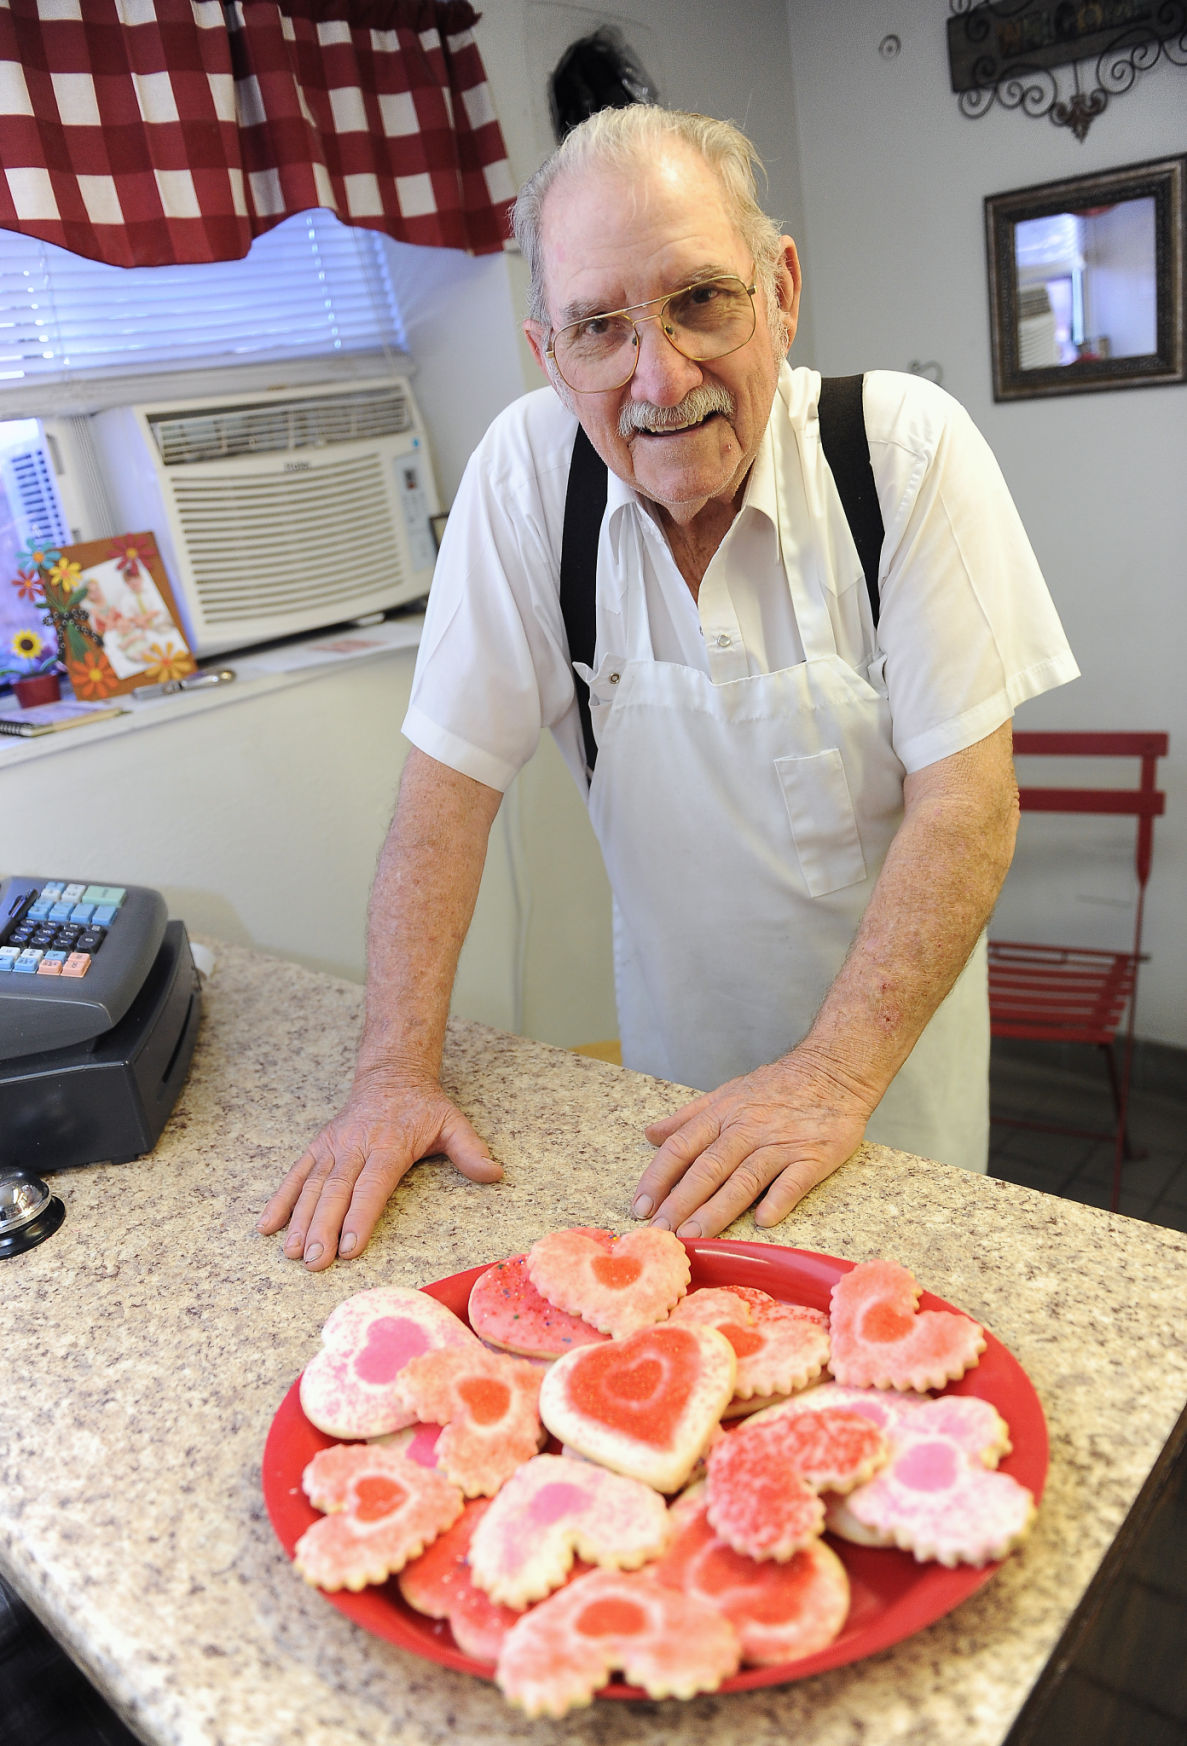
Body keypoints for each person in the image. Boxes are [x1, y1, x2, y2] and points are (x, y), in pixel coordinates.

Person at [259, 105, 1077, 1271]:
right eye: (600, 327)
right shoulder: (525, 482)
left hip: (888, 1080)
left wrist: (828, 1078)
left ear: (779, 290)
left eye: (701, 300)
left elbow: (967, 805)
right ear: (548, 357)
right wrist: (393, 1075)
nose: (660, 375)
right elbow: (443, 803)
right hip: (666, 1092)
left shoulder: (898, 453)